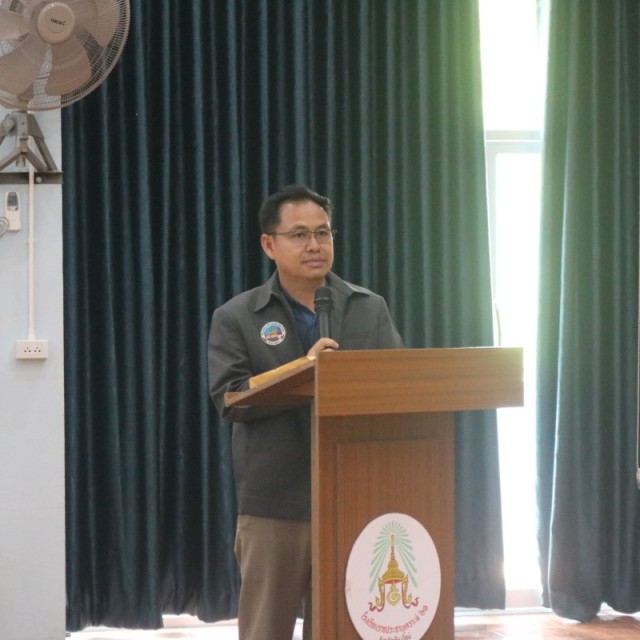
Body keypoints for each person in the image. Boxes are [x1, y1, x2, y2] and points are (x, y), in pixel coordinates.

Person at [208, 184, 403, 640]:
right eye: (299, 235)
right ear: (268, 244)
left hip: (354, 495)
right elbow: (230, 398)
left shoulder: (368, 307)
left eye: (323, 232)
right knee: (265, 630)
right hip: (275, 501)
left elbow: (395, 387)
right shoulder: (238, 316)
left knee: (345, 628)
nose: (315, 245)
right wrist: (305, 370)